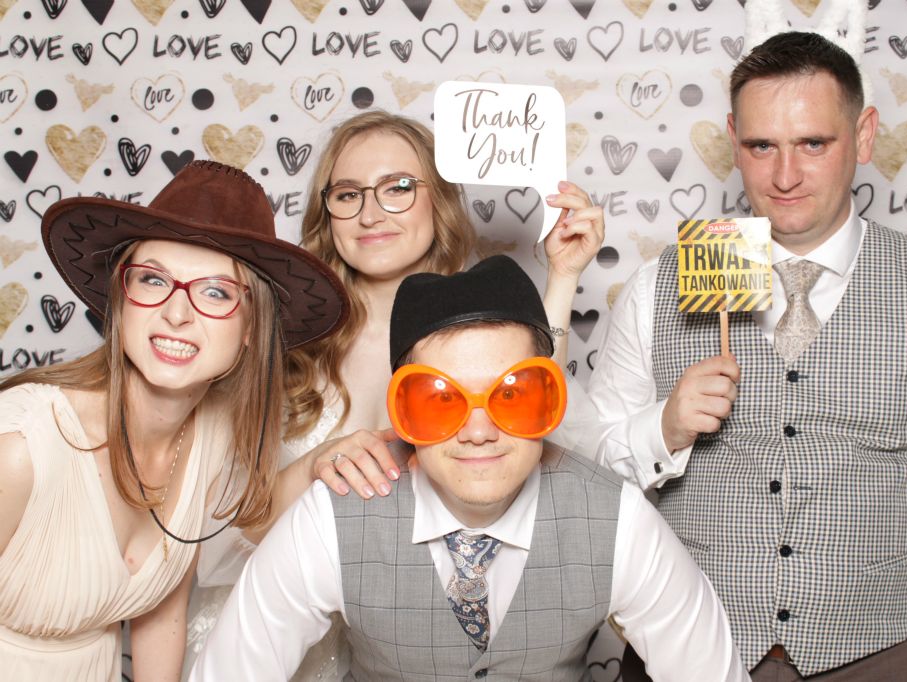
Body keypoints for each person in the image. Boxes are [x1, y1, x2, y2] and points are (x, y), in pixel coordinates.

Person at [587, 31, 907, 681]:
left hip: (884, 654)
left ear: (864, 136)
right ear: (733, 140)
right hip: (689, 652)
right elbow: (586, 477)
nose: (784, 176)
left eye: (813, 144)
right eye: (761, 146)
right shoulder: (658, 287)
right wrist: (664, 428)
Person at [184, 111, 605, 680]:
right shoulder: (279, 342)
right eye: (348, 194)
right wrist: (314, 466)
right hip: (275, 644)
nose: (371, 213)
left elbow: (546, 434)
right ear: (326, 213)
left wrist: (563, 278)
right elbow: (223, 538)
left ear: (441, 202)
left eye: (398, 187)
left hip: (414, 646)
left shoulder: (481, 333)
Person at [190, 255, 748, 682]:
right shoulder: (330, 519)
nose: (479, 431)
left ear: (550, 400)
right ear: (402, 412)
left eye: (513, 395)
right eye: (439, 399)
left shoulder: (618, 520)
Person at [0, 160, 347, 681]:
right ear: (122, 299)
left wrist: (325, 458)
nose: (177, 313)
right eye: (153, 279)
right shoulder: (21, 443)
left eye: (215, 292)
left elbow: (160, 615)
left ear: (251, 329)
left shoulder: (210, 437)